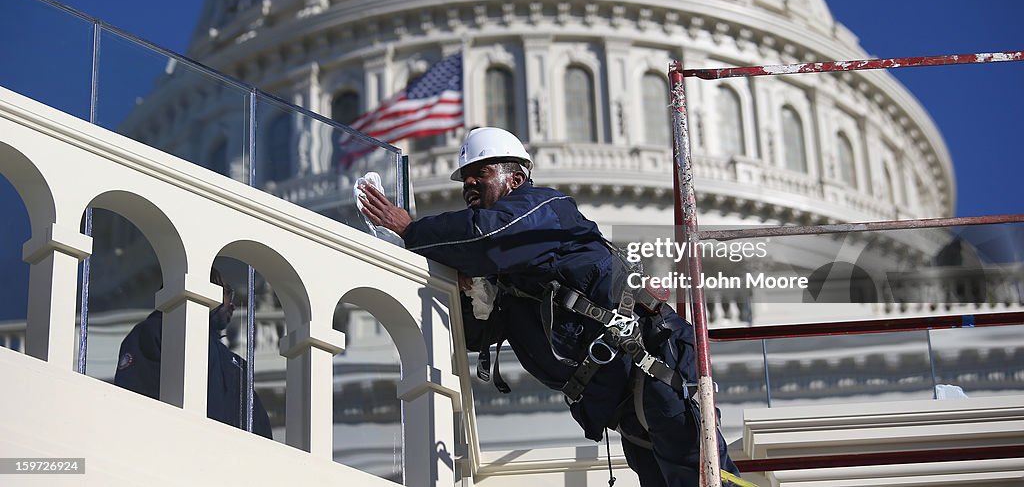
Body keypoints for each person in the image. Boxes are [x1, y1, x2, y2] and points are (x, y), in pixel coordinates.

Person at [359, 127, 741, 487]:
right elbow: (473, 335)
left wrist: (412, 231)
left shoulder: (546, 211)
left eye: (481, 172)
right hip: (624, 405)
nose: (469, 183)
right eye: (465, 177)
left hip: (655, 371)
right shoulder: (510, 281)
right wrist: (467, 287)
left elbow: (487, 236)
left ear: (515, 179)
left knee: (704, 479)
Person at [114, 267, 273, 439]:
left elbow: (258, 426)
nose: (233, 304)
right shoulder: (156, 331)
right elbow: (134, 395)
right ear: (207, 289)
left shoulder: (235, 364)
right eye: (228, 293)